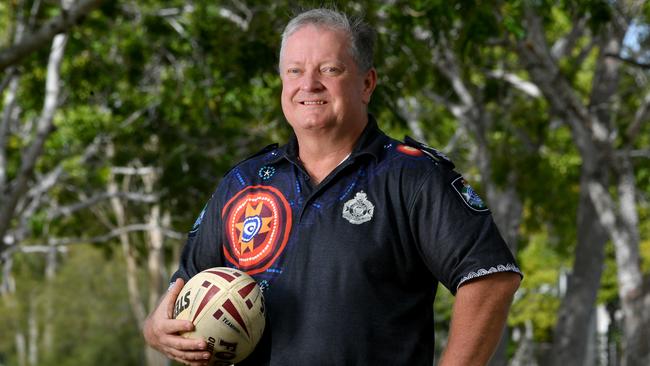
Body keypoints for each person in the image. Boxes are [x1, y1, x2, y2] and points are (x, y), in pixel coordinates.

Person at [143, 8, 522, 366]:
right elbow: (182, 291)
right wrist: (157, 330)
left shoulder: (413, 176)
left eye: (330, 69)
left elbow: (490, 278)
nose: (309, 84)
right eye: (294, 71)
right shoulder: (244, 182)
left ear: (367, 83)